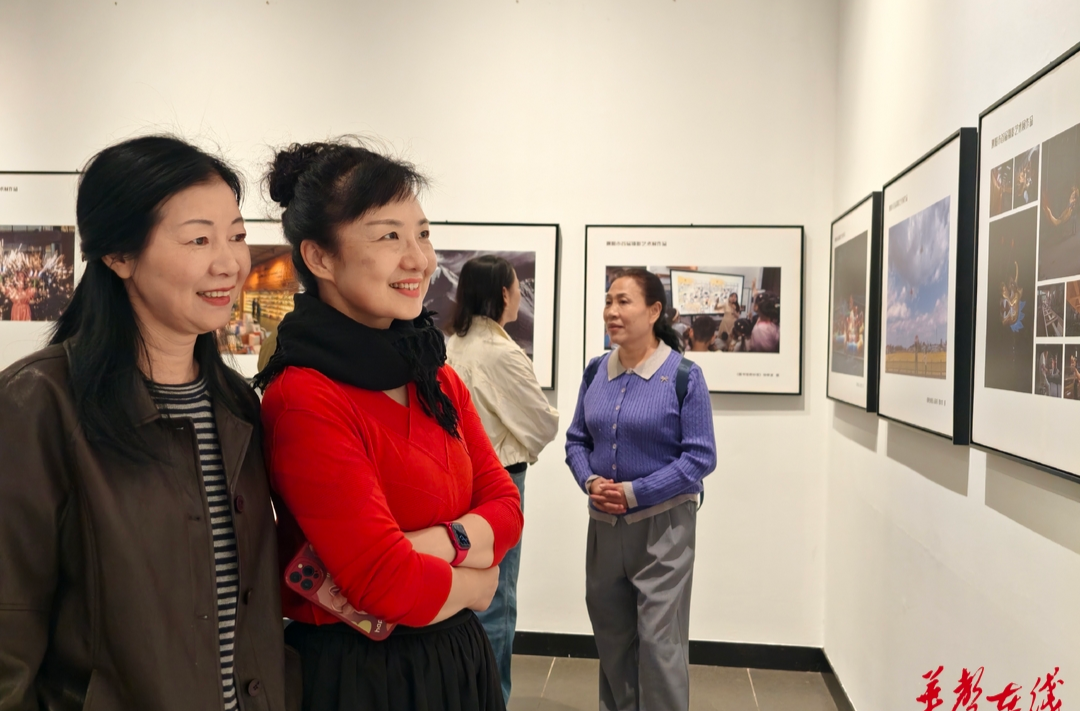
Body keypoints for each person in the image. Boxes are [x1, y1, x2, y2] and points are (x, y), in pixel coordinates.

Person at [0, 135, 289, 710]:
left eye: (235, 235)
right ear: (119, 255)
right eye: (198, 239)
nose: (230, 261)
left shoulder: (235, 405)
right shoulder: (40, 403)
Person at [255, 140, 522, 711]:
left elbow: (505, 505)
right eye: (388, 236)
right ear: (321, 259)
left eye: (422, 233)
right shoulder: (305, 398)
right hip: (365, 677)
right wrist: (477, 582)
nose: (420, 260)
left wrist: (436, 542)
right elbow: (384, 584)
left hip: (457, 659)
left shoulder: (434, 376)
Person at [565, 268, 716, 711]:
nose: (612, 311)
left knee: (659, 644)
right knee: (612, 639)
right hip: (604, 526)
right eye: (609, 301)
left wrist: (636, 492)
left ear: (654, 311)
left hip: (663, 528)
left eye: (624, 301)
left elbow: (700, 458)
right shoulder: (595, 371)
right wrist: (589, 481)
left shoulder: (684, 376)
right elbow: (577, 440)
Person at [445, 254, 560, 705]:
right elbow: (542, 425)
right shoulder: (500, 353)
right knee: (496, 598)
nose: (518, 295)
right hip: (498, 482)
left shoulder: (452, 344)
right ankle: (492, 699)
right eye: (516, 287)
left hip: (455, 482)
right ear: (503, 294)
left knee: (460, 595)